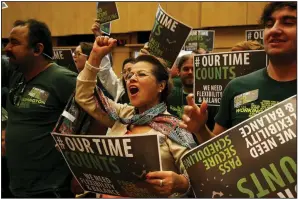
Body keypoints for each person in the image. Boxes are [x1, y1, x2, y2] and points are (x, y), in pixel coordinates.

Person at [75, 36, 197, 197]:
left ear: (161, 85)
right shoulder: (121, 115)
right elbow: (85, 96)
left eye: (141, 74)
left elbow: (199, 175)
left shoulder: (175, 127)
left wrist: (181, 183)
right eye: (130, 75)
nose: (131, 78)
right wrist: (95, 57)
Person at [180, 2, 297, 143]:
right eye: (269, 24)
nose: (274, 30)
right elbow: (220, 151)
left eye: (289, 22)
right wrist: (201, 130)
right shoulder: (237, 87)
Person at [3, 19, 77, 197]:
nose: (6, 48)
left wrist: (81, 174)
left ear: (37, 49)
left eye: (14, 43)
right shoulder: (16, 76)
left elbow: (95, 123)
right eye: (7, 41)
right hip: (17, 186)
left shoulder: (63, 79)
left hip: (50, 188)